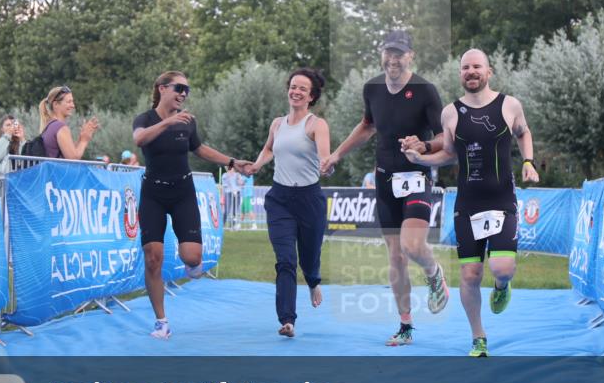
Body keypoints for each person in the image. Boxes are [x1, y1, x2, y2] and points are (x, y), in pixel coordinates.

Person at [403, 49, 539, 357]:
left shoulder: (509, 104)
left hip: (502, 199)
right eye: (465, 67)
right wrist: (420, 158)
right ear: (460, 74)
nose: (471, 71)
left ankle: (503, 286)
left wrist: (528, 161)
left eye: (477, 66)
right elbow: (448, 153)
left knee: (502, 268)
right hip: (468, 204)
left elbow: (523, 132)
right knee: (470, 275)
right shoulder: (450, 113)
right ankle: (478, 338)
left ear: (489, 72)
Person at [322, 29, 449, 346]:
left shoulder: (425, 91)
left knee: (413, 246)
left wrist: (424, 145)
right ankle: (406, 327)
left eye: (399, 53)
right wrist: (337, 153)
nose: (393, 58)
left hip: (417, 176)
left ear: (411, 56)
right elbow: (367, 126)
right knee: (396, 257)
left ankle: (434, 275)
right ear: (382, 54)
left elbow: (447, 136)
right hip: (384, 178)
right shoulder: (373, 88)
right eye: (388, 52)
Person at [133, 71, 252, 340]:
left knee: (192, 259)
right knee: (153, 258)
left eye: (187, 89)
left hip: (183, 193)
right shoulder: (145, 119)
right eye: (179, 88)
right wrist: (168, 123)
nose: (184, 93)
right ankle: (161, 322)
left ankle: (192, 262)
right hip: (153, 193)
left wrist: (232, 163)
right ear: (162, 88)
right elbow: (139, 140)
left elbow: (199, 149)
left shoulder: (188, 122)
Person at [246, 68, 331, 338]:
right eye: (293, 86)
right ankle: (287, 320)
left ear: (311, 96)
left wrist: (326, 166)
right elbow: (270, 147)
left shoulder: (316, 124)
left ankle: (314, 281)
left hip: (309, 199)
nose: (295, 91)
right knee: (285, 260)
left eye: (302, 89)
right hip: (280, 199)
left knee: (309, 258)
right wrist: (257, 164)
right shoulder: (277, 124)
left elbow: (324, 155)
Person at [38, 85, 99, 160]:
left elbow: (71, 153)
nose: (73, 105)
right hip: (59, 171)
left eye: (72, 102)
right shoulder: (60, 127)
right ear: (56, 104)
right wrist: (84, 140)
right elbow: (73, 159)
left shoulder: (50, 125)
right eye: (69, 102)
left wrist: (81, 137)